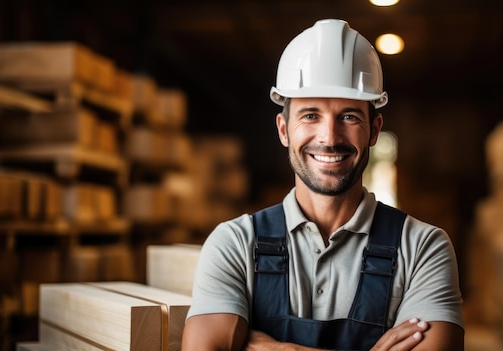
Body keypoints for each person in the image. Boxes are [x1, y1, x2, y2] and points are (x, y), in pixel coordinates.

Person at [182, 19, 464, 351]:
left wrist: (277, 348)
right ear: (284, 129)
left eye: (348, 116)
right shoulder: (234, 244)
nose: (329, 138)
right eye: (310, 115)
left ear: (374, 130)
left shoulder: (422, 248)